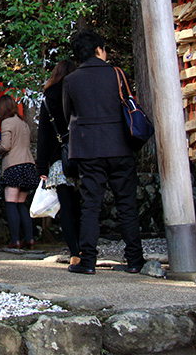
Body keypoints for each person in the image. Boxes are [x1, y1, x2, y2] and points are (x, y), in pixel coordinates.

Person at [63, 30, 146, 275]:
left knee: (90, 205)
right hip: (120, 145)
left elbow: (69, 115)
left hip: (89, 149)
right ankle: (134, 260)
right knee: (127, 204)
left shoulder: (71, 80)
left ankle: (87, 261)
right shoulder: (117, 74)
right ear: (99, 50)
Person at [35, 59, 81, 266]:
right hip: (84, 155)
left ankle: (75, 252)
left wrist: (42, 167)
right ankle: (88, 247)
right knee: (85, 206)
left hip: (59, 159)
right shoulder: (80, 93)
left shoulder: (49, 98)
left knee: (67, 207)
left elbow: (43, 133)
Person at [0, 94, 39, 249]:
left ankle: (15, 239)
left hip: (14, 165)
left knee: (11, 203)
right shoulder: (23, 123)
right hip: (28, 165)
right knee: (22, 204)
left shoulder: (7, 122)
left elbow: (6, 146)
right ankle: (30, 238)